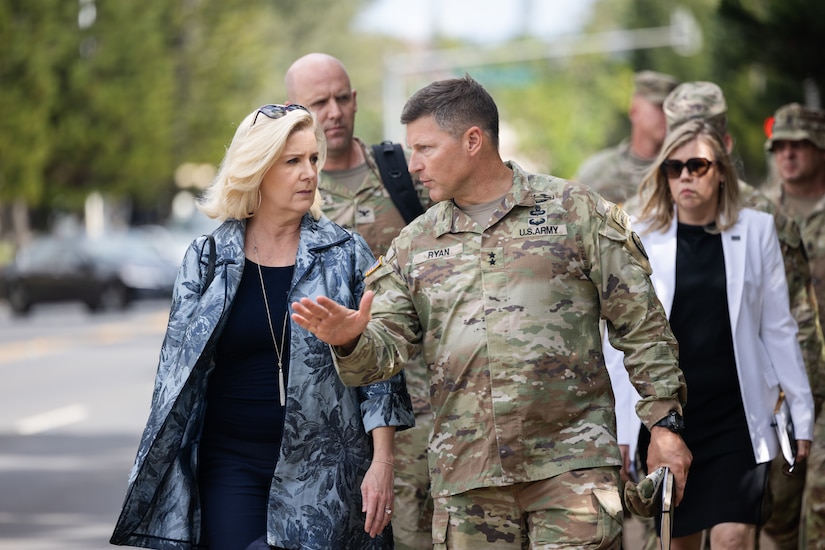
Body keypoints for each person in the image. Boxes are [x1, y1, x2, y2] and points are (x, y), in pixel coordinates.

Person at [291, 75, 692, 549]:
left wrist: (664, 426)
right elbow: (383, 355)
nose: (413, 165)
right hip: (468, 484)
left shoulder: (575, 212)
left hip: (571, 470)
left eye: (425, 148)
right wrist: (350, 339)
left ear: (473, 141)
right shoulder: (414, 244)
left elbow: (642, 327)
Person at [110, 104, 414, 550]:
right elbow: (173, 379)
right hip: (230, 464)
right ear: (256, 170)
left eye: (313, 159)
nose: (309, 173)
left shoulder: (346, 253)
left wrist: (382, 461)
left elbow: (383, 377)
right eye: (292, 161)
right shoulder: (207, 259)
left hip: (325, 469)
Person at [606, 119, 815, 550]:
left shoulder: (756, 229)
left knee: (733, 538)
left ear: (721, 170)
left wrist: (802, 410)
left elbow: (778, 326)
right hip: (671, 420)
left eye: (697, 165)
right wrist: (623, 428)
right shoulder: (639, 234)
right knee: (678, 541)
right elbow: (620, 336)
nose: (685, 175)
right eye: (673, 167)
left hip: (737, 416)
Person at [285, 52, 433, 550]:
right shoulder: (291, 188)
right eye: (318, 102)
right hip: (324, 406)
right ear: (294, 110)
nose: (333, 112)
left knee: (420, 525)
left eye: (342, 98)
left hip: (412, 389)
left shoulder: (399, 173)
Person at [764, 102, 825, 549]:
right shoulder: (758, 214)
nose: (788, 154)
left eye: (799, 145)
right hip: (780, 382)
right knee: (777, 509)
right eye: (779, 146)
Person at [575, 70, 680, 205]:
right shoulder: (597, 171)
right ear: (634, 110)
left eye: (673, 108)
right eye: (660, 106)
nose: (667, 114)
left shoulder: (685, 171)